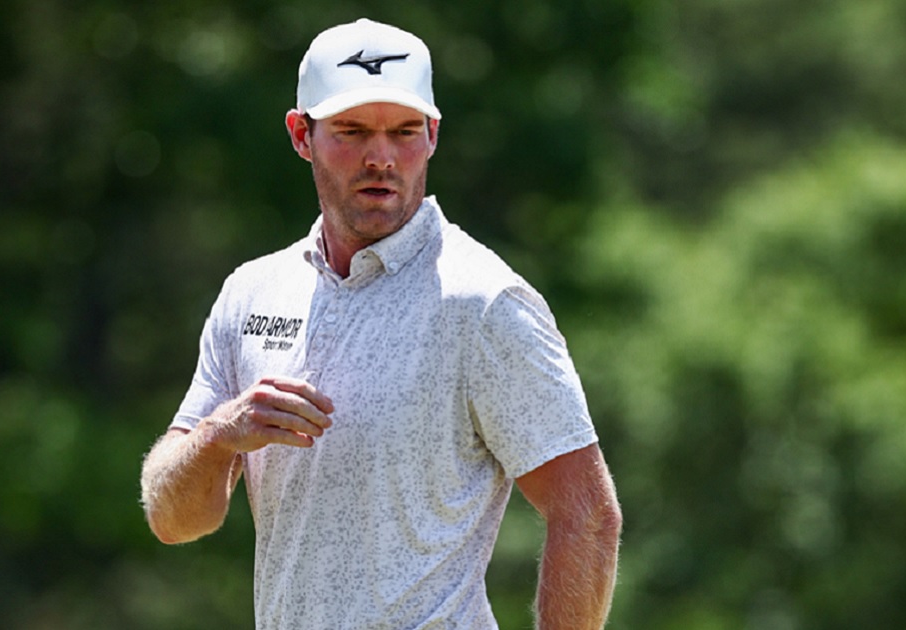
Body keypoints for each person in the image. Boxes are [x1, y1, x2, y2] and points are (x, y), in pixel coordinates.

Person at [140, 18, 622, 630]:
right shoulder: (253, 292)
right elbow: (174, 519)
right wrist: (218, 437)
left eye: (403, 132)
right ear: (300, 134)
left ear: (433, 135)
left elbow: (586, 513)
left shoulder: (484, 301)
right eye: (351, 131)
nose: (381, 157)